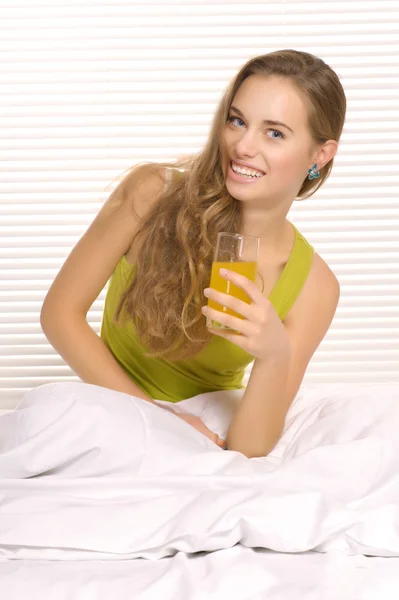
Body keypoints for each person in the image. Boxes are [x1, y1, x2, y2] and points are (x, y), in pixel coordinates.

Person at [40, 49, 346, 458]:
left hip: (206, 435)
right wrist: (155, 421)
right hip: (113, 409)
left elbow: (249, 449)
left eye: (274, 133)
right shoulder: (151, 193)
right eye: (237, 121)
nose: (243, 146)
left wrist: (275, 355)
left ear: (320, 155)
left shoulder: (315, 286)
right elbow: (59, 314)